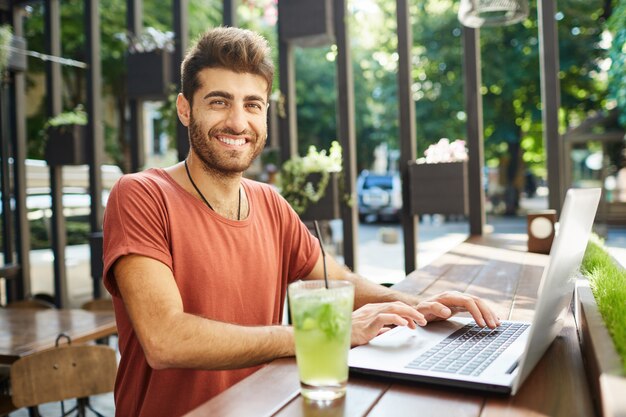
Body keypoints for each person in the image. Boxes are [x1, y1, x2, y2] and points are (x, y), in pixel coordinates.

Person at [103, 26, 500, 417]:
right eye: (220, 102)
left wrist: (417, 305)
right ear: (185, 109)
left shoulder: (269, 203)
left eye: (253, 105)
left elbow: (336, 280)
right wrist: (323, 336)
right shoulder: (140, 194)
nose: (238, 123)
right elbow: (165, 341)